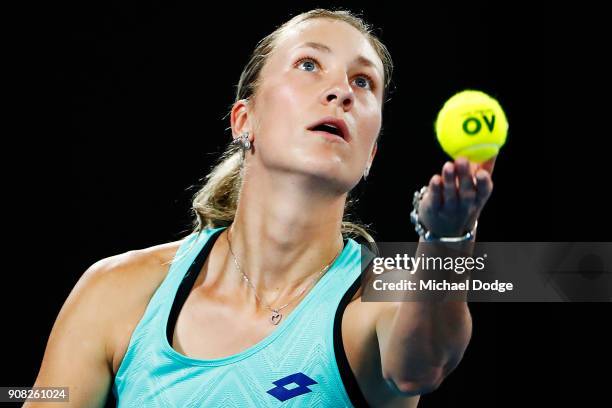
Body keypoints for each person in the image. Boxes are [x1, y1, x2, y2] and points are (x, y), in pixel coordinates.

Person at [28, 8, 495, 407]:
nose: (342, 92)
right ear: (244, 120)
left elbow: (422, 366)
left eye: (363, 81)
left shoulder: (374, 297)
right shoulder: (116, 290)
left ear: (370, 154)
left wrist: (447, 241)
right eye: (309, 64)